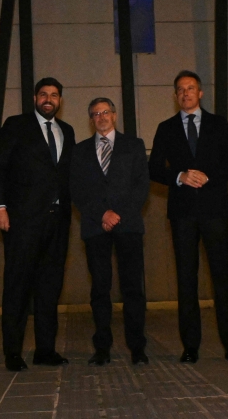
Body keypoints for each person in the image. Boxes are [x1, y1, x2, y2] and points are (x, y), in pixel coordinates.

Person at [148, 70, 228, 363]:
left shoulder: (219, 124)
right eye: (180, 89)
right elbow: (154, 168)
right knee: (186, 278)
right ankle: (190, 346)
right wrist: (179, 176)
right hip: (182, 214)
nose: (185, 93)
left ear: (200, 93)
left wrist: (208, 177)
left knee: (222, 277)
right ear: (175, 95)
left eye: (190, 88)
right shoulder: (166, 128)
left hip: (215, 210)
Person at [0, 77, 75, 372]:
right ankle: (12, 352)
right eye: (43, 94)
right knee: (18, 286)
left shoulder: (67, 131)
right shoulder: (16, 125)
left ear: (60, 100)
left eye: (54, 95)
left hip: (57, 222)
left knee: (50, 287)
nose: (48, 99)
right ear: (35, 98)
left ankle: (45, 350)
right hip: (23, 221)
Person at [69, 98, 150, 366]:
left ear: (114, 116)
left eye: (105, 112)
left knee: (132, 289)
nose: (101, 117)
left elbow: (141, 186)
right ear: (90, 120)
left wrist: (117, 215)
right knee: (100, 289)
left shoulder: (134, 145)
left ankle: (137, 348)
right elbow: (77, 190)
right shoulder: (80, 151)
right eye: (95, 114)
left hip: (128, 226)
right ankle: (102, 348)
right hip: (95, 226)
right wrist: (102, 214)